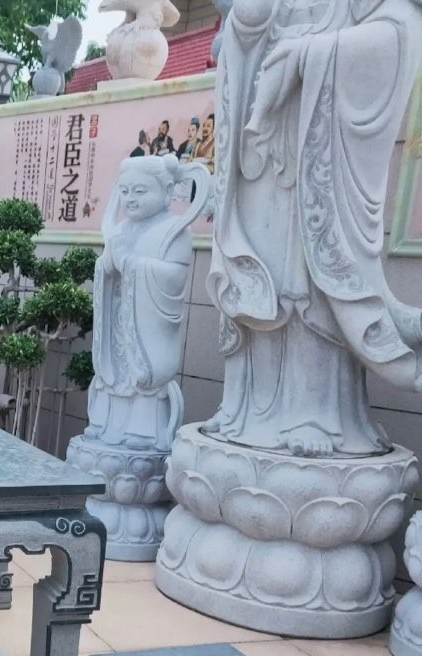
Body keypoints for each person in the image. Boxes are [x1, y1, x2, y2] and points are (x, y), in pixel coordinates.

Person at [203, 0, 422, 458]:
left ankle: (314, 414)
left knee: (308, 286)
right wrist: (247, 27)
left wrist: (314, 53)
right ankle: (243, 407)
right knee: (260, 281)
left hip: (320, 153)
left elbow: (402, 30)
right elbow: (239, 38)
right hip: (262, 162)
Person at [85, 154, 211, 451]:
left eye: (140, 191)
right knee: (114, 377)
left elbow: (174, 278)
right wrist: (107, 265)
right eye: (125, 191)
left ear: (167, 191)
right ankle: (104, 424)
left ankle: (143, 433)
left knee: (142, 385)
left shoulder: (174, 231)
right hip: (119, 326)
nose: (130, 198)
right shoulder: (120, 229)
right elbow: (108, 268)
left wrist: (130, 263)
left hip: (145, 333)